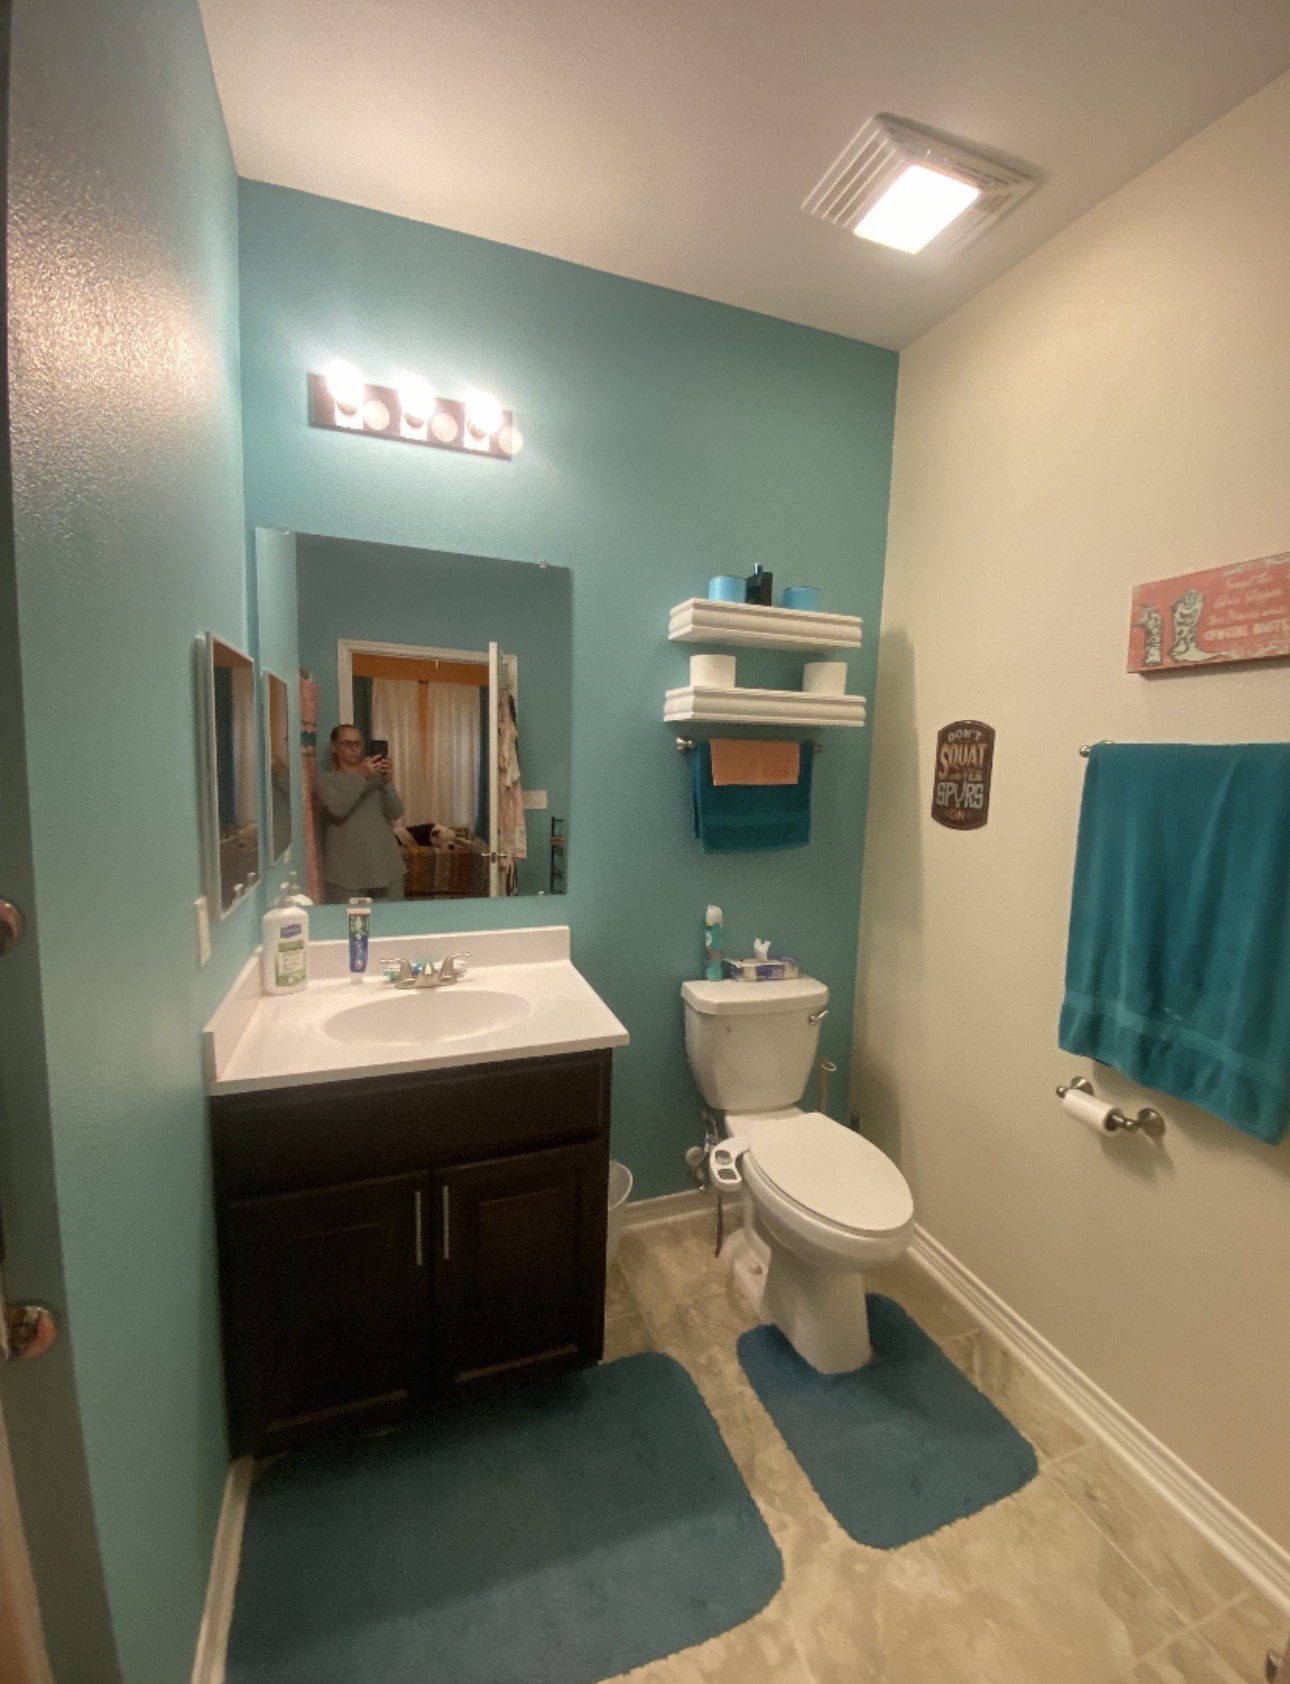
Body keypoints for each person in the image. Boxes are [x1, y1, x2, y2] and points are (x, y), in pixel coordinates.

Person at [316, 724, 406, 903]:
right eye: (347, 743)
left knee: (392, 919)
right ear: (334, 747)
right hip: (346, 876)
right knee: (347, 921)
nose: (354, 748)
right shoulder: (326, 780)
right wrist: (361, 776)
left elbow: (396, 812)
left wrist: (387, 782)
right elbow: (338, 809)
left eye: (358, 743)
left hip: (386, 867)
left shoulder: (377, 779)